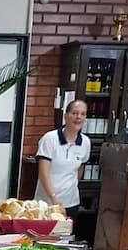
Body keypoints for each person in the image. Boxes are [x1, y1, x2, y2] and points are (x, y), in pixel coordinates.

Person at [33, 99, 90, 236]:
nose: (78, 117)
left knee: (64, 240)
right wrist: (54, 199)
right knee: (43, 239)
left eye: (82, 114)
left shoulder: (85, 142)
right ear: (66, 116)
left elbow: (79, 169)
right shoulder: (50, 138)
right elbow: (43, 173)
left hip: (71, 202)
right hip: (47, 202)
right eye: (74, 113)